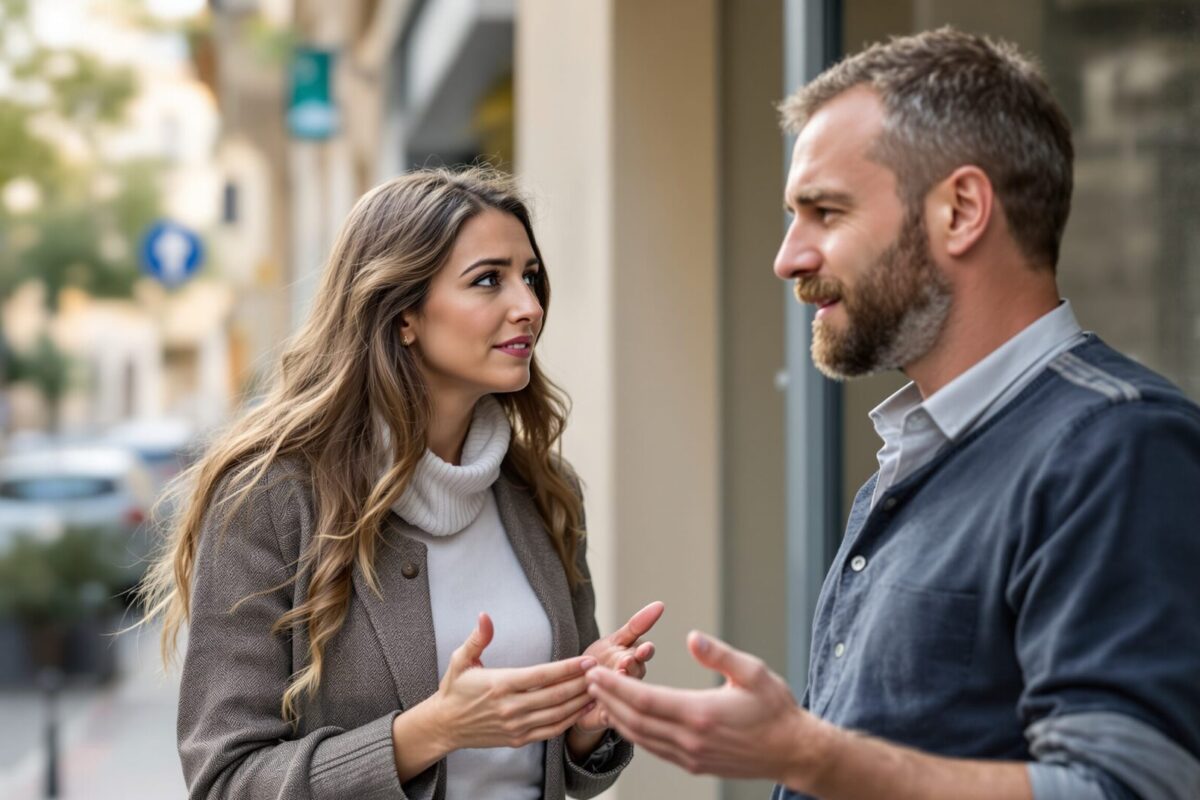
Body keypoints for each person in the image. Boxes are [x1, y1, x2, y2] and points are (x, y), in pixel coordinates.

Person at [584, 27, 1200, 800]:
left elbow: (1128, 788)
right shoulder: (905, 468)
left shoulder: (1120, 446)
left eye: (825, 211)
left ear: (961, 211)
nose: (788, 257)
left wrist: (808, 755)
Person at [140, 167, 664, 799]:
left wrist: (585, 724)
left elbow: (562, 774)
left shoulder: (546, 490)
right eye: (488, 280)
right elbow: (225, 780)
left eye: (529, 277)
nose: (529, 306)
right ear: (403, 313)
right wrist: (430, 732)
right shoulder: (271, 498)